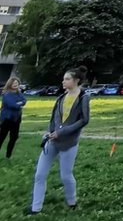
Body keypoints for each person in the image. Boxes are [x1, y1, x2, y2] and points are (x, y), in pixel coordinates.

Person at [28, 66, 90, 215]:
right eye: (64, 79)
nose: (63, 81)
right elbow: (54, 117)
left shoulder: (83, 97)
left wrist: (61, 132)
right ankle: (36, 208)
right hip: (52, 141)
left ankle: (71, 202)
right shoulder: (61, 97)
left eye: (67, 79)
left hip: (69, 143)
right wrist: (50, 132)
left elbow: (84, 120)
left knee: (66, 176)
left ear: (76, 81)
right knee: (39, 175)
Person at [1, 76, 27, 158]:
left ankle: (8, 156)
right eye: (13, 83)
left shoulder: (19, 93)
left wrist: (19, 103)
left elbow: (24, 101)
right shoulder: (6, 94)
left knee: (14, 137)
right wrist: (19, 104)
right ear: (10, 84)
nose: (15, 84)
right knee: (2, 137)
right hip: (7, 119)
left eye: (16, 83)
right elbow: (12, 105)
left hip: (16, 119)